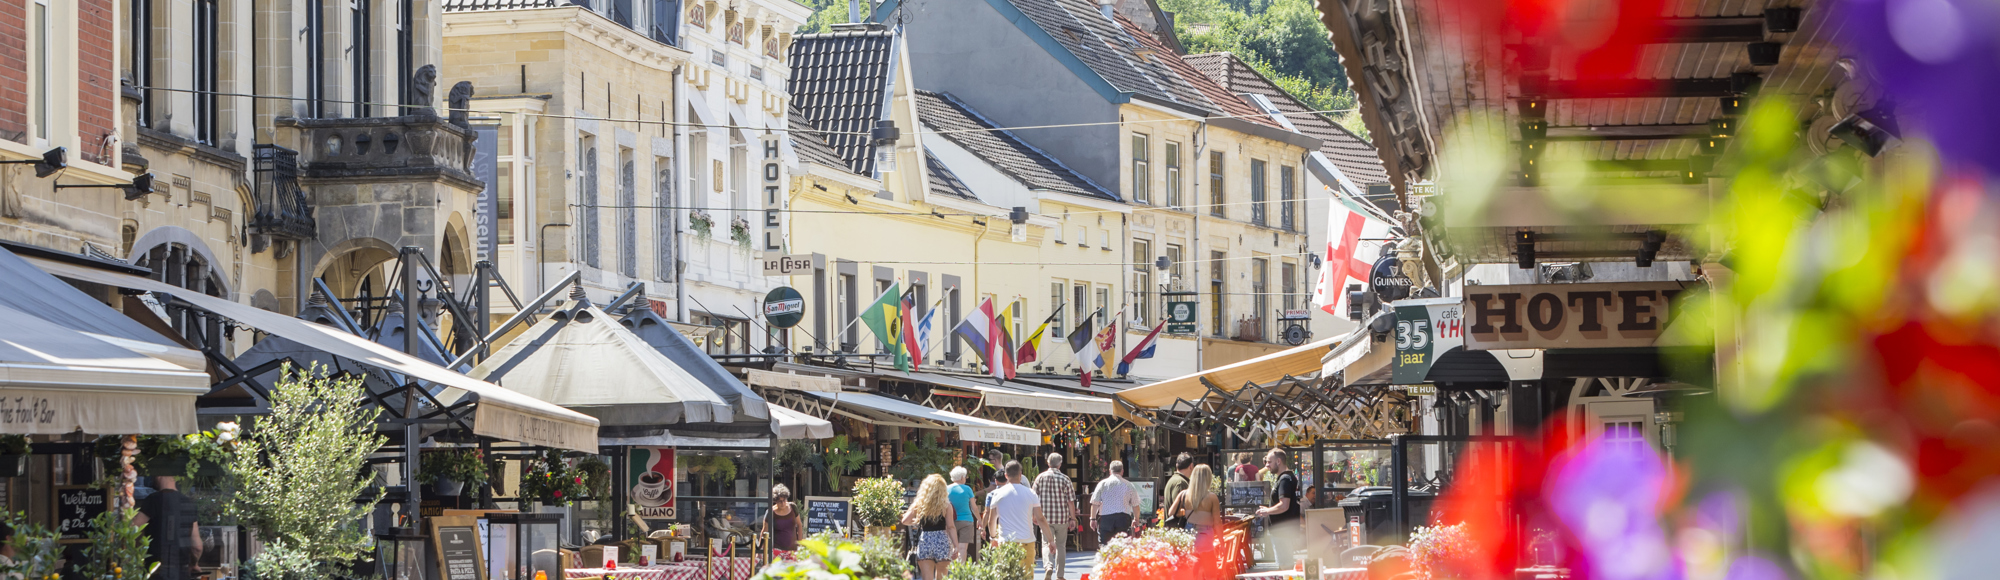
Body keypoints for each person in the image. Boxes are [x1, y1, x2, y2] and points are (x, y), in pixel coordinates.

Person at [982, 461, 1044, 580]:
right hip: (1027, 541)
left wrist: (993, 537)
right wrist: (1050, 540)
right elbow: (1040, 518)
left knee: (1006, 576)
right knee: (1026, 576)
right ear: (1020, 474)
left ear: (1006, 475)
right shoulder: (1031, 493)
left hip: (1006, 541)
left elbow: (991, 520)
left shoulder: (997, 494)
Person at [135, 476, 201, 580]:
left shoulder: (153, 500)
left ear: (159, 476)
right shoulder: (188, 503)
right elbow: (197, 547)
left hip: (155, 571)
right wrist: (194, 564)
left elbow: (133, 528)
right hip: (181, 572)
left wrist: (140, 552)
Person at [1253, 449, 1302, 569]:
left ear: (1278, 461)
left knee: (1285, 566)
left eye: (1269, 462)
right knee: (1286, 565)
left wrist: (1267, 511)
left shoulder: (1285, 479)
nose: (1266, 465)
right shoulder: (1287, 477)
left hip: (1282, 530)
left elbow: (1284, 505)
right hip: (1284, 530)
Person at [1030, 453, 1076, 580]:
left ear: (1048, 463)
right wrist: (1073, 518)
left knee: (1046, 543)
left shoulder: (1040, 478)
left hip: (1044, 518)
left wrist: (1034, 514)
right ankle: (1060, 575)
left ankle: (1048, 566)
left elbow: (1033, 497)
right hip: (1061, 518)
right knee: (1061, 545)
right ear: (1060, 464)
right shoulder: (1065, 479)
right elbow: (1070, 501)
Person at [901, 474, 956, 580]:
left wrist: (917, 521)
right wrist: (956, 546)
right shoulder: (947, 505)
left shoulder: (920, 504)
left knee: (927, 578)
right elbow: (951, 527)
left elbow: (905, 520)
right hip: (942, 542)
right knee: (941, 577)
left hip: (925, 541)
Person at [1167, 465, 1221, 551]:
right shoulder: (1212, 497)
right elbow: (1217, 522)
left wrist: (1183, 512)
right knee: (1207, 561)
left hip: (1188, 533)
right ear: (1208, 479)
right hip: (1205, 534)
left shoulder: (1183, 494)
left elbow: (1171, 513)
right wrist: (1222, 542)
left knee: (1191, 561)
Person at [1088, 460, 1141, 545]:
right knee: (1122, 545)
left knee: (1105, 545)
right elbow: (1135, 505)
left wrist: (1093, 519)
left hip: (1106, 518)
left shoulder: (1102, 484)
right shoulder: (1129, 485)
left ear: (1110, 471)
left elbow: (1095, 503)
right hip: (1123, 518)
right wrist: (1136, 519)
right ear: (1122, 471)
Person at [947, 467, 978, 562]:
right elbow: (974, 507)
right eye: (965, 477)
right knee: (963, 548)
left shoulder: (946, 489)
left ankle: (951, 571)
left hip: (950, 521)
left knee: (951, 546)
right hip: (966, 521)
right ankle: (961, 572)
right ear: (961, 477)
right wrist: (979, 520)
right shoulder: (967, 489)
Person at [768, 484, 804, 554]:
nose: (783, 503)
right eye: (780, 501)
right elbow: (765, 530)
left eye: (784, 500)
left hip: (792, 550)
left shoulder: (793, 507)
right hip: (777, 550)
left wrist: (800, 544)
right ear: (775, 501)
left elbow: (799, 525)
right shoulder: (771, 512)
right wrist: (760, 551)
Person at [1161, 453, 1194, 528]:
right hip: (1177, 529)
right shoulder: (1180, 482)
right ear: (1191, 466)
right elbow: (1178, 510)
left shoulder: (1175, 479)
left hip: (1174, 530)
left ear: (1177, 465)